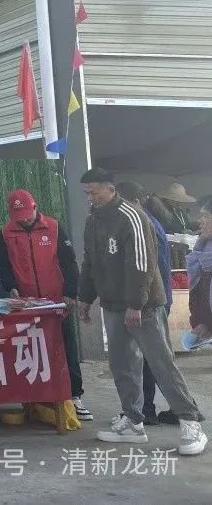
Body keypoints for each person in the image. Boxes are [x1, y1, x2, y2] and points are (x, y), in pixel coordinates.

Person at [77, 168, 207, 455]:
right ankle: (133, 421)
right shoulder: (93, 219)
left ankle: (190, 420)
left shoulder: (131, 216)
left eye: (93, 192)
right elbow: (90, 261)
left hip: (143, 306)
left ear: (110, 189)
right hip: (113, 305)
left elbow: (142, 263)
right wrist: (85, 298)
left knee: (161, 363)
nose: (89, 198)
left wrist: (136, 304)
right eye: (86, 193)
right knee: (122, 365)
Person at [0, 190, 90, 422]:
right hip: (26, 304)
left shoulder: (54, 227)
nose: (25, 219)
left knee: (66, 347)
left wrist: (70, 292)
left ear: (36, 208)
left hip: (56, 301)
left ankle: (74, 395)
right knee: (31, 350)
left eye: (27, 214)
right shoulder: (6, 233)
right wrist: (10, 287)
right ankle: (35, 398)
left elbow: (69, 262)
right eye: (19, 216)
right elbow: (3, 265)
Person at [117, 182, 177, 425]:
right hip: (157, 299)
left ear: (134, 202)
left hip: (151, 301)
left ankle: (151, 409)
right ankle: (163, 408)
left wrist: (138, 303)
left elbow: (146, 270)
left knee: (152, 359)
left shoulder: (143, 225)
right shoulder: (148, 221)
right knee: (155, 358)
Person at [186, 196, 212, 348]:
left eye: (206, 216)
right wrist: (202, 322)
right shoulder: (201, 247)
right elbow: (197, 293)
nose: (200, 220)